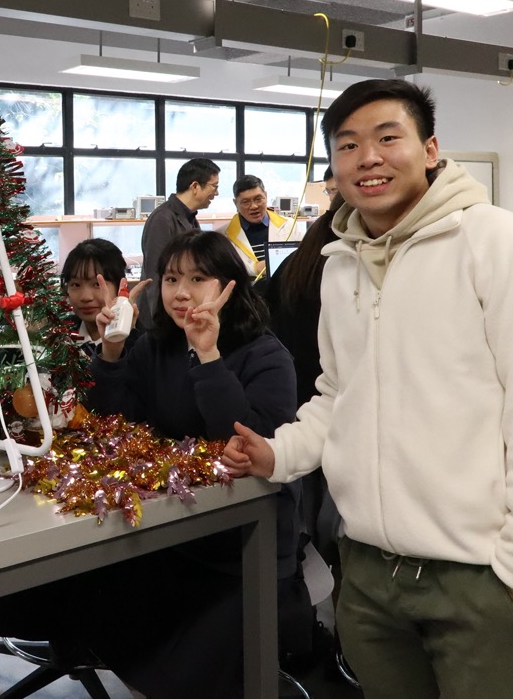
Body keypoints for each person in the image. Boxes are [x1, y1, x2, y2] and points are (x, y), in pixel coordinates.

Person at [223, 79, 513, 699]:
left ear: (430, 149)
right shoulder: (341, 264)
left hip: (481, 576)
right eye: (348, 146)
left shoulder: (499, 245)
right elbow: (339, 394)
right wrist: (280, 452)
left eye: (387, 137)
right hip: (369, 573)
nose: (368, 158)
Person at [84, 229, 308, 698]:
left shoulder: (267, 356)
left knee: (186, 675)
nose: (180, 292)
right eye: (170, 279)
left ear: (229, 286)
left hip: (245, 548)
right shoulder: (156, 347)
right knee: (104, 624)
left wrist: (208, 355)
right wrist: (111, 350)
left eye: (197, 279)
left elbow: (244, 447)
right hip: (171, 534)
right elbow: (115, 427)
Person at [137, 157, 219, 330]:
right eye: (214, 186)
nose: (216, 193)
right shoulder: (162, 219)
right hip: (161, 321)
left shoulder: (190, 219)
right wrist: (160, 325)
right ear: (195, 186)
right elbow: (155, 276)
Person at [60, 237, 144, 357]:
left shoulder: (143, 343)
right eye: (76, 285)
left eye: (97, 284)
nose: (86, 297)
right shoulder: (60, 334)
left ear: (119, 287)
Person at [218, 174, 297, 275]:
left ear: (266, 196)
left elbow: (302, 258)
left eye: (258, 199)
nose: (254, 206)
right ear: (235, 203)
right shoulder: (222, 236)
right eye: (246, 202)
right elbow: (222, 269)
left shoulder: (290, 225)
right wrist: (255, 268)